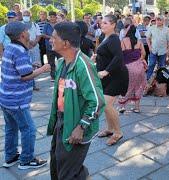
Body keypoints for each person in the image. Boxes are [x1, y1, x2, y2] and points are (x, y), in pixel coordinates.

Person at [47, 22, 105, 179]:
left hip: (76, 126)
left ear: (65, 43)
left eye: (53, 37)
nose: (50, 40)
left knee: (67, 173)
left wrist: (81, 127)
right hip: (62, 122)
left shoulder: (83, 65)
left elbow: (97, 101)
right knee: (57, 165)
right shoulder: (62, 62)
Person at [1, 21, 50, 170]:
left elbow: (18, 69)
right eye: (27, 31)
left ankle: (10, 157)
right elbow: (26, 76)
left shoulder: (11, 47)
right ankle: (27, 160)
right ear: (22, 34)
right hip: (17, 100)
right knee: (29, 129)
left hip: (6, 98)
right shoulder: (20, 51)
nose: (29, 33)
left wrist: (31, 65)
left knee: (11, 128)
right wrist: (42, 69)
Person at [96, 15, 129, 146]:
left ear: (113, 25)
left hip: (116, 76)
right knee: (105, 105)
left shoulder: (114, 38)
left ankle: (118, 132)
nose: (102, 25)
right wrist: (96, 56)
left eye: (105, 23)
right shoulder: (104, 38)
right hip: (108, 78)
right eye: (101, 23)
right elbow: (106, 54)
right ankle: (110, 129)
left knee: (106, 104)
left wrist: (106, 71)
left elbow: (118, 57)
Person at [118, 25, 147, 113]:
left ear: (127, 31)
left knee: (124, 87)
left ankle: (122, 107)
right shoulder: (139, 41)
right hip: (139, 67)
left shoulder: (123, 41)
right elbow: (144, 54)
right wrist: (139, 61)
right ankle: (137, 108)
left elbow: (120, 55)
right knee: (138, 87)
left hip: (127, 67)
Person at [145, 15, 169, 80]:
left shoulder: (167, 29)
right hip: (153, 50)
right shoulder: (152, 28)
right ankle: (148, 80)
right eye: (157, 20)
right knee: (151, 64)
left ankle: (160, 81)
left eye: (160, 20)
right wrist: (149, 47)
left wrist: (168, 49)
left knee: (161, 67)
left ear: (163, 21)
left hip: (163, 51)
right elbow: (147, 38)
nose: (158, 21)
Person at [22, 10, 42, 91]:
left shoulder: (35, 25)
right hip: (25, 47)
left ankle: (33, 84)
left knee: (34, 66)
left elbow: (39, 35)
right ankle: (28, 85)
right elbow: (21, 35)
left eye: (27, 15)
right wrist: (29, 42)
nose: (26, 16)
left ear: (30, 16)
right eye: (24, 15)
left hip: (35, 47)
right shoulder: (20, 25)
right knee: (27, 66)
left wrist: (34, 42)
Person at [43, 11, 60, 81]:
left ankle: (60, 75)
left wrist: (55, 38)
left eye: (54, 17)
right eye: (51, 17)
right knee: (51, 62)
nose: (52, 18)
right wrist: (51, 37)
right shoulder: (46, 25)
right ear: (49, 18)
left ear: (56, 17)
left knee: (60, 61)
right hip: (49, 47)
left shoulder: (59, 25)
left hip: (59, 46)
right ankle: (53, 76)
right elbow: (43, 34)